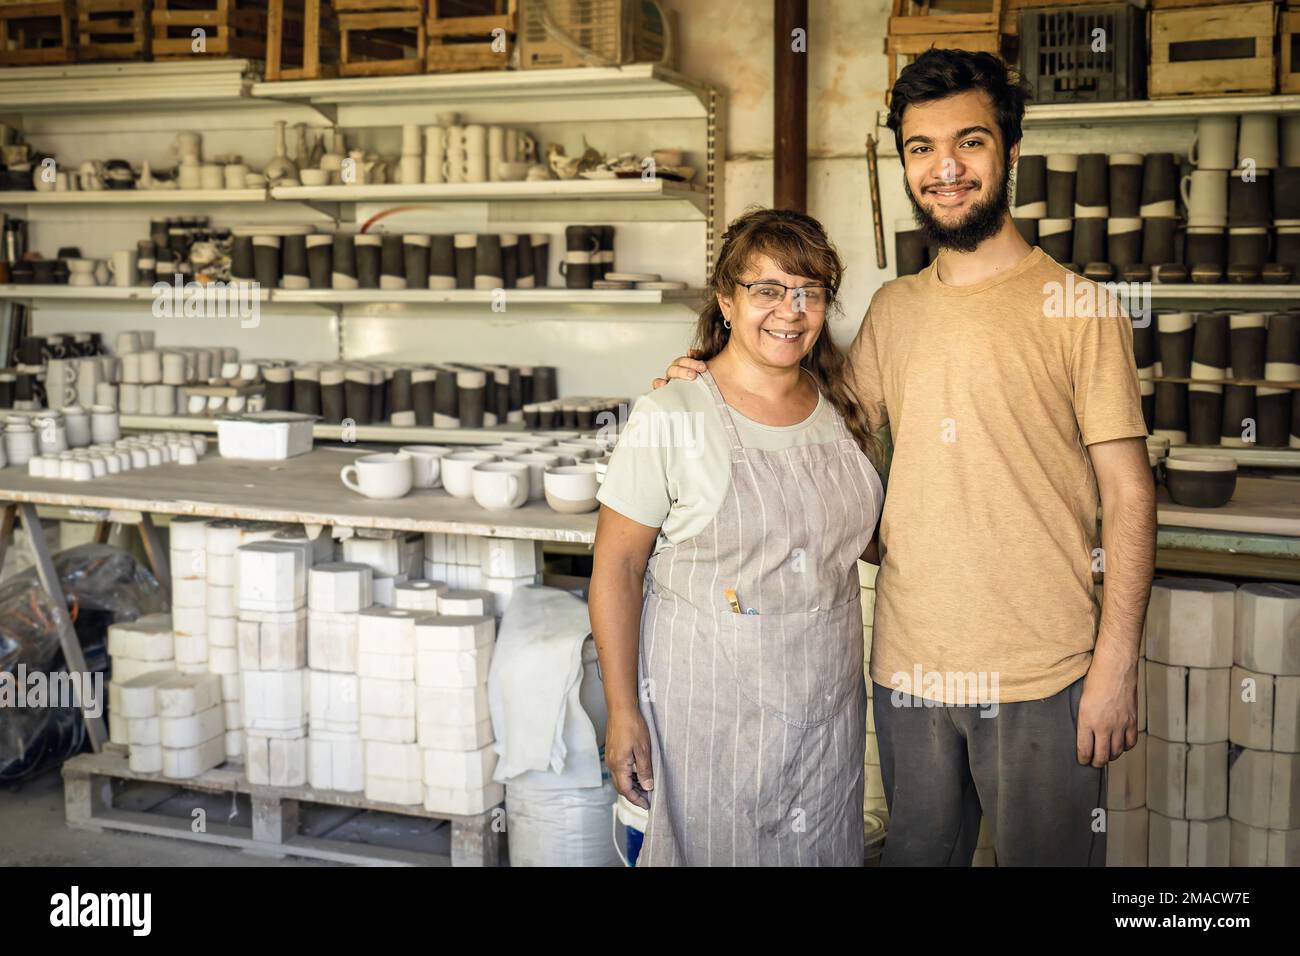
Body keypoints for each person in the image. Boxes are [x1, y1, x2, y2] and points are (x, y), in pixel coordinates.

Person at [656, 49, 1156, 866]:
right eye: (921, 148)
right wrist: (711, 379)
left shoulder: (1079, 309)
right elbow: (819, 427)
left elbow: (1130, 496)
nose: (945, 167)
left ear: (1011, 153)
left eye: (970, 142)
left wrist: (1116, 664)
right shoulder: (895, 311)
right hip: (908, 670)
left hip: (1043, 675)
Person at [589, 208, 885, 866]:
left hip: (826, 710)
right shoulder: (673, 411)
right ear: (726, 299)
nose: (791, 309)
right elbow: (616, 568)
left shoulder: (843, 408)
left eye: (810, 291)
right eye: (768, 290)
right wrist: (622, 712)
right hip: (709, 713)